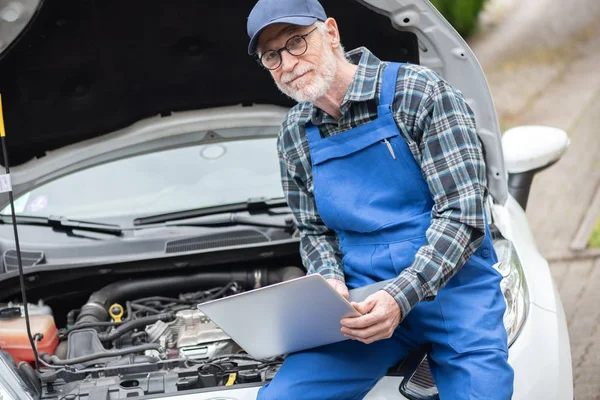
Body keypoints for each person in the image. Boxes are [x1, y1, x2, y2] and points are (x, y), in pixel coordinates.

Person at [246, 0, 514, 398]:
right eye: (273, 55)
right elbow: (313, 230)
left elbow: (463, 214)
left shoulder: (419, 92)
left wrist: (401, 296)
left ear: (331, 33)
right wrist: (330, 281)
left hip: (457, 294)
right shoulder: (294, 134)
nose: (288, 62)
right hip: (362, 304)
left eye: (297, 42)